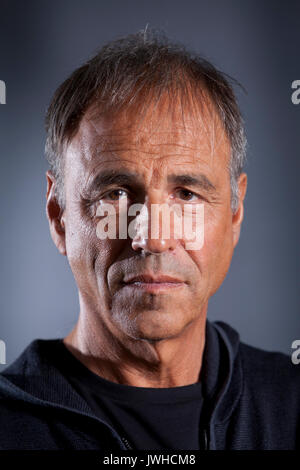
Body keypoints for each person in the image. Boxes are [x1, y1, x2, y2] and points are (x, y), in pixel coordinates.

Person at [0, 29, 299, 451]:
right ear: (59, 216)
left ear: (235, 214)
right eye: (116, 194)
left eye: (187, 194)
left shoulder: (291, 402)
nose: (154, 238)